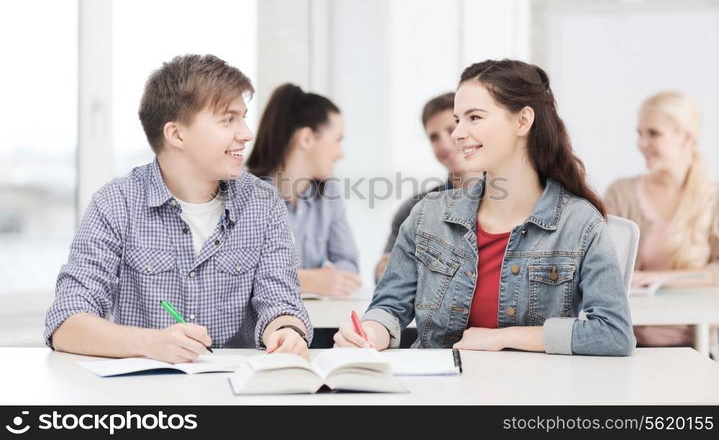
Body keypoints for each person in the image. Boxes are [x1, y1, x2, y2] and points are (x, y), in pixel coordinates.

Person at [334, 59, 635, 356]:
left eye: (474, 118)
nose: (457, 133)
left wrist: (505, 337)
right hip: (440, 392)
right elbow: (388, 308)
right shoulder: (429, 215)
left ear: (523, 121)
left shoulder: (579, 224)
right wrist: (369, 333)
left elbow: (613, 333)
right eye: (458, 119)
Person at [44, 54, 312, 363]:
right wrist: (150, 343)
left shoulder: (263, 203)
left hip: (236, 395)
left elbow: (281, 302)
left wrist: (287, 331)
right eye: (228, 119)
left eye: (243, 117)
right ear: (176, 134)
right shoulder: (116, 203)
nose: (246, 133)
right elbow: (66, 323)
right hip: (147, 398)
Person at [246, 84, 360, 348]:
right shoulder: (247, 195)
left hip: (313, 327)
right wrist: (307, 280)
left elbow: (348, 264)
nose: (340, 152)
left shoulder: (328, 194)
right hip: (262, 335)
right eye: (337, 140)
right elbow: (234, 278)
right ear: (307, 138)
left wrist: (329, 280)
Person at [604, 91, 719, 348]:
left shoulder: (713, 200)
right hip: (630, 341)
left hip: (698, 345)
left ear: (686, 138)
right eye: (640, 133)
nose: (643, 143)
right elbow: (599, 261)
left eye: (653, 133)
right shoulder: (621, 193)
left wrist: (659, 278)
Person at [374, 92, 483, 281]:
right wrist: (385, 270)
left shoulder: (508, 201)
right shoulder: (415, 208)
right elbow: (384, 279)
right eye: (434, 137)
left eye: (450, 130)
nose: (445, 145)